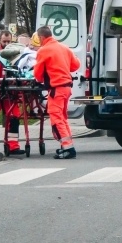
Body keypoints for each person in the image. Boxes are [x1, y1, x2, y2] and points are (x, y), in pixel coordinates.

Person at [33, 25, 80, 159]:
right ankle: (68, 145)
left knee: (56, 118)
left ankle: (67, 148)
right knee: (63, 118)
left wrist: (41, 78)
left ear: (41, 37)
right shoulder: (64, 47)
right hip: (66, 88)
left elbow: (38, 74)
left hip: (56, 89)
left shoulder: (44, 50)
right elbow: (76, 65)